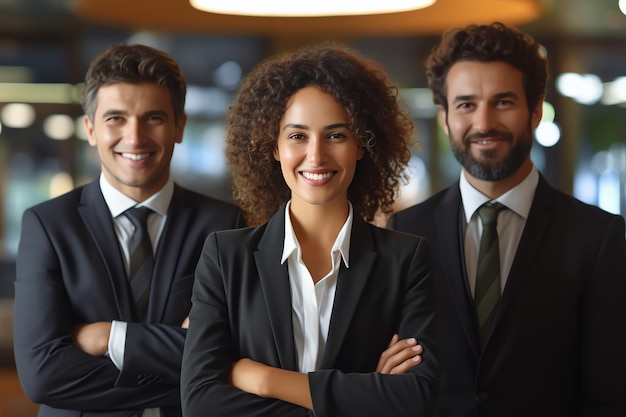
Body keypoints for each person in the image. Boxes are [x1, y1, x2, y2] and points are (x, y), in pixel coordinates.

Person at [180, 45, 438, 417]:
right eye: (298, 136)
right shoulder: (225, 257)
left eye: (336, 135)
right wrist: (363, 397)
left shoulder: (407, 260)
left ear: (361, 146)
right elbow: (201, 403)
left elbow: (415, 397)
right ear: (274, 146)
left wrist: (264, 381)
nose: (316, 156)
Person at [388, 22, 626, 417]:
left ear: (535, 110)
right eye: (466, 104)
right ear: (445, 118)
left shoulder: (598, 238)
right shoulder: (406, 232)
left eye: (503, 102)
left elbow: (611, 391)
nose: (483, 124)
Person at [13, 43, 244, 417]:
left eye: (153, 118)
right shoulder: (48, 225)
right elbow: (43, 376)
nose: (134, 138)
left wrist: (109, 336)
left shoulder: (224, 225)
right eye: (115, 118)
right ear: (90, 129)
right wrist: (183, 374)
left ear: (179, 126)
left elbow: (230, 353)